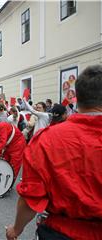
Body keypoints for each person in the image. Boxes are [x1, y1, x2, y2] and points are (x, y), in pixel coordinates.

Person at [6, 65, 102, 240]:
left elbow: (31, 198)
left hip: (61, 232)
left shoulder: (46, 139)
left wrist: (16, 229)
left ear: (77, 97)